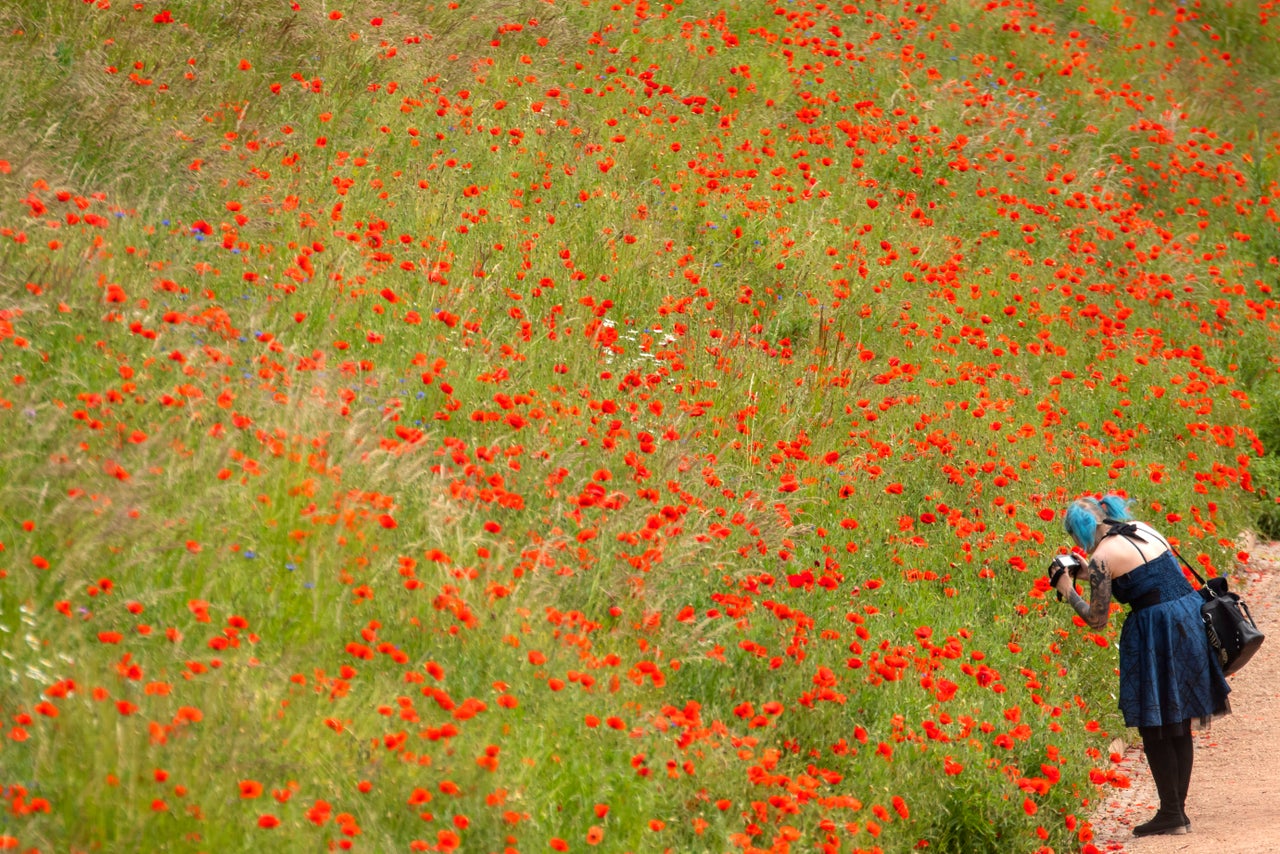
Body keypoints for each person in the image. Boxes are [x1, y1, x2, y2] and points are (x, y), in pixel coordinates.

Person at [1049, 493, 1231, 837]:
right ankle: (1175, 811)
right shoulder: (1142, 529)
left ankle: (1172, 814)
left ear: (1080, 532)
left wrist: (1068, 588)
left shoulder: (1102, 556)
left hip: (1156, 632)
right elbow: (1142, 574)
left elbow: (1097, 619)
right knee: (1179, 718)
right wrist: (1089, 574)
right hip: (1188, 620)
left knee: (1155, 722)